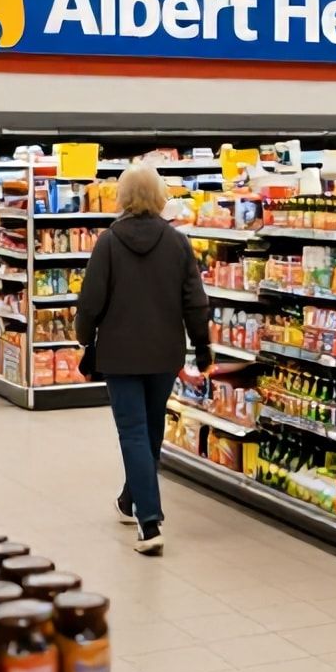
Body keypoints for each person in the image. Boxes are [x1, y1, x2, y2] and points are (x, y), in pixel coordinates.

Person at [75, 163, 209, 556]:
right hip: (165, 353)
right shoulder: (177, 243)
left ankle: (149, 524)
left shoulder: (108, 243)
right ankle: (129, 501)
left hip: (120, 355)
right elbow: (195, 302)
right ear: (159, 195)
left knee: (134, 432)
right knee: (150, 432)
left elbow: (91, 301)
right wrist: (203, 346)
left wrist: (85, 338)